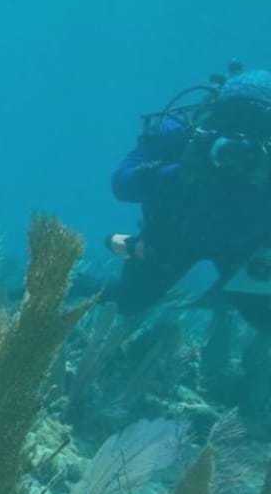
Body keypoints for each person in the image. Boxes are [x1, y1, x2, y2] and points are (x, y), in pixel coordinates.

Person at [107, 64, 271, 330]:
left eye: (253, 125)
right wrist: (180, 172)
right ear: (212, 113)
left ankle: (223, 310)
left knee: (265, 320)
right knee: (128, 302)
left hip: (245, 247)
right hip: (175, 235)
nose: (236, 141)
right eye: (228, 120)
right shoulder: (183, 132)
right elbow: (122, 184)